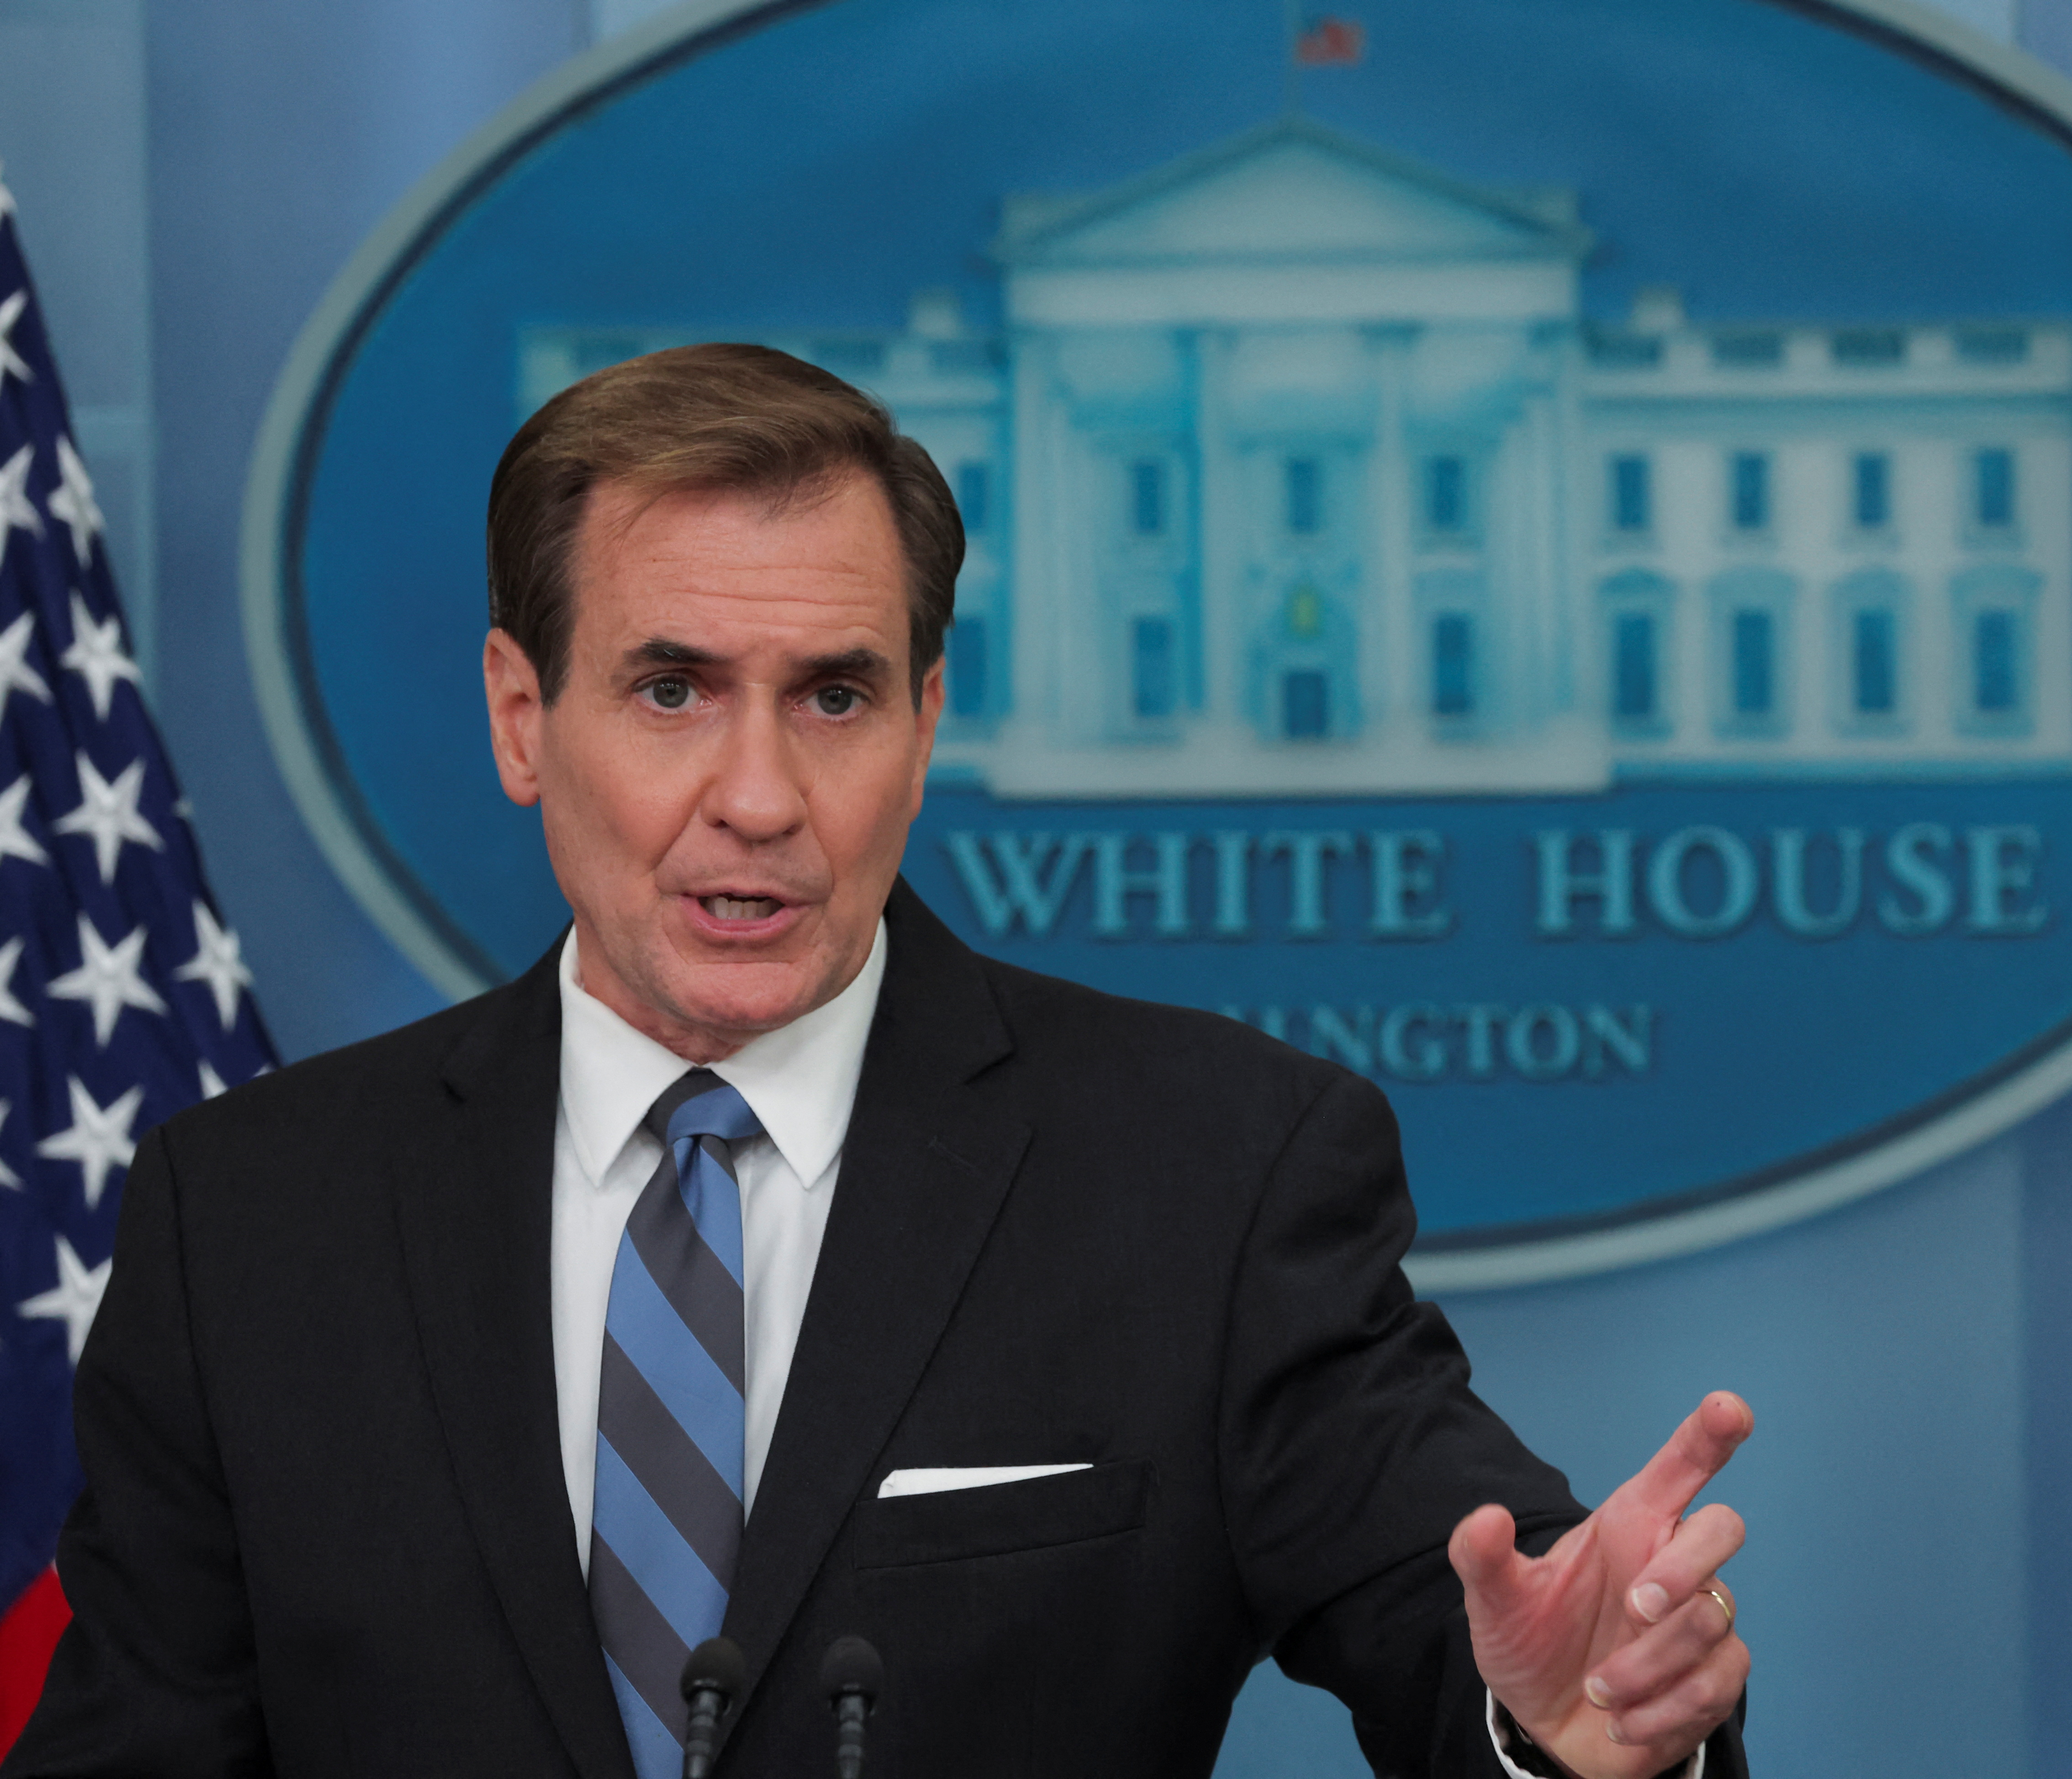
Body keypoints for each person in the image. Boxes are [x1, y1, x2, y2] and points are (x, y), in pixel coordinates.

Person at [5, 344, 1750, 1779]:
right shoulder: (250, 1219)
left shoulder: (1208, 1174)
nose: (758, 796)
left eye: (833, 697)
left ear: (924, 726)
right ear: (522, 719)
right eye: (672, 690)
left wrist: (1577, 1733)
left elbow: (1480, 1629)